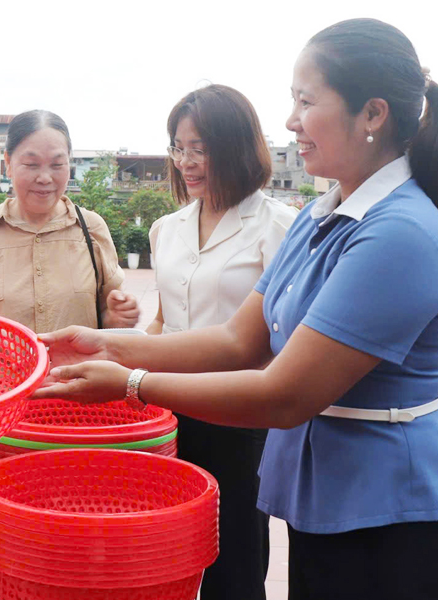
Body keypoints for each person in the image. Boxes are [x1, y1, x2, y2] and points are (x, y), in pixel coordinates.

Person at [36, 18, 438, 600]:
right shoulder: (323, 216)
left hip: (394, 520)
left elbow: (285, 394)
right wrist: (111, 343)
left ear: (373, 114)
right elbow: (237, 342)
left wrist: (131, 383)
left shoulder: (399, 232)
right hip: (330, 502)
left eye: (305, 100)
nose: (292, 121)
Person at [147, 84, 297, 600]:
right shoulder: (167, 228)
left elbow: (284, 339)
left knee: (234, 553)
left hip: (239, 416)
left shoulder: (279, 227)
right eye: (178, 147)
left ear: (237, 147)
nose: (186, 162)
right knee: (166, 546)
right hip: (167, 410)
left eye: (201, 148)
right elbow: (163, 324)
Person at [0, 109, 139, 333]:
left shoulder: (91, 229)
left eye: (57, 165)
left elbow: (106, 317)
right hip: (1, 369)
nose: (45, 178)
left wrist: (118, 315)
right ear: (8, 162)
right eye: (31, 165)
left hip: (78, 369)